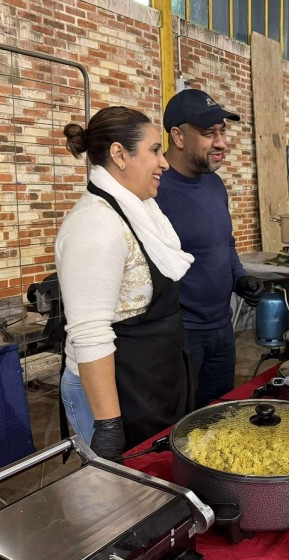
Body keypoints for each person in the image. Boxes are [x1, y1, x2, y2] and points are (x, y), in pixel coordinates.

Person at [56, 106, 195, 461]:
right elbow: (89, 333)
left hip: (149, 383)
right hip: (114, 395)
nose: (164, 163)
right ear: (119, 154)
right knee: (117, 506)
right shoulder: (95, 224)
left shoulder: (142, 212)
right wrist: (108, 425)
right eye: (154, 151)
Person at [155, 89, 264, 408]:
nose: (221, 143)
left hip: (222, 329)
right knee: (177, 425)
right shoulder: (155, 191)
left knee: (219, 416)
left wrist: (239, 277)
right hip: (180, 337)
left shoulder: (215, 185)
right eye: (208, 133)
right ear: (178, 136)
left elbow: (224, 243)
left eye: (222, 132)